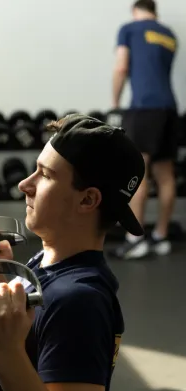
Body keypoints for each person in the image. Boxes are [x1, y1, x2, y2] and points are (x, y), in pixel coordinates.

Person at [0, 114, 145, 391]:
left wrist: (4, 354)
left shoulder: (78, 301)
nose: (24, 184)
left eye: (44, 175)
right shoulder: (48, 264)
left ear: (87, 200)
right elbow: (34, 337)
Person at [111, 0, 179, 259]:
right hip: (169, 109)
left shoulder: (129, 28)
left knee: (137, 171)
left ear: (135, 9)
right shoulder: (169, 35)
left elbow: (121, 67)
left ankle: (135, 238)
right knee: (165, 174)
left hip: (144, 108)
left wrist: (115, 103)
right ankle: (161, 237)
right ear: (155, 11)